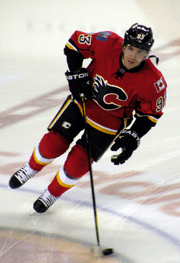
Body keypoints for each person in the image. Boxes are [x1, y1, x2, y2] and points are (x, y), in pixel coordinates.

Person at [9, 23, 167, 213]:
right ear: (124, 45)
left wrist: (133, 136)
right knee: (52, 144)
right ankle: (31, 167)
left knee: (78, 165)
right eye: (131, 48)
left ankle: (52, 193)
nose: (133, 56)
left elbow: (150, 115)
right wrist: (76, 73)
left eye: (141, 51)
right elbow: (74, 45)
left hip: (109, 123)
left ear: (147, 53)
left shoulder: (154, 82)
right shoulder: (107, 41)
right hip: (81, 104)